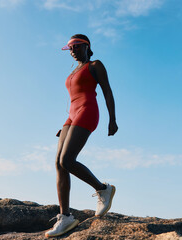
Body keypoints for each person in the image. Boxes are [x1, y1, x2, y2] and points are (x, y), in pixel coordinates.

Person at [45, 34, 118, 238]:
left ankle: (103, 189)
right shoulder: (73, 71)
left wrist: (112, 119)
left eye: (76, 46)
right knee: (58, 163)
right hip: (71, 116)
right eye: (69, 47)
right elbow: (73, 99)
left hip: (87, 110)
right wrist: (66, 126)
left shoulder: (95, 65)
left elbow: (107, 92)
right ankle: (65, 217)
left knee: (67, 160)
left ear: (87, 46)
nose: (72, 49)